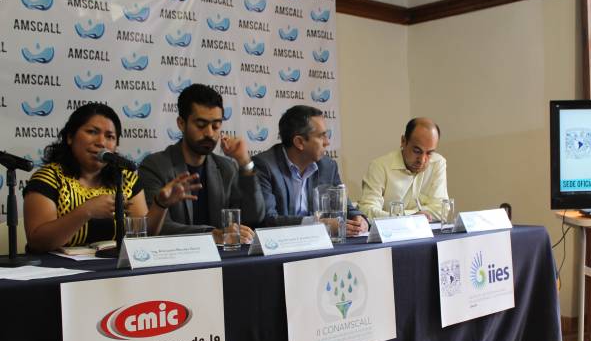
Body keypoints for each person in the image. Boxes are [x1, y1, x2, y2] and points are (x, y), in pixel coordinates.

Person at [23, 103, 199, 253]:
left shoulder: (125, 179)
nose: (101, 142)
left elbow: (142, 238)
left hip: (113, 272)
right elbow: (38, 242)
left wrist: (160, 205)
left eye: (110, 137)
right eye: (92, 132)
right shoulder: (49, 178)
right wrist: (86, 211)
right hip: (58, 274)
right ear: (70, 137)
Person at [139, 84, 264, 243]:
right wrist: (213, 235)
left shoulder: (226, 168)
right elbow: (157, 227)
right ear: (181, 123)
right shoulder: (155, 166)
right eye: (201, 125)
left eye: (216, 125)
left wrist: (245, 162)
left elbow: (254, 217)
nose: (210, 133)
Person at [252, 105, 368, 235]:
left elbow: (345, 206)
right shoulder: (264, 166)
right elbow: (268, 220)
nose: (327, 142)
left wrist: (358, 218)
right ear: (299, 142)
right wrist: (318, 225)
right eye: (321, 136)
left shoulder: (328, 166)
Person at [358, 117, 447, 221]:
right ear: (403, 141)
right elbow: (367, 211)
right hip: (390, 231)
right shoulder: (379, 166)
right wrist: (411, 217)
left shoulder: (437, 163)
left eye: (429, 153)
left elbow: (442, 210)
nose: (422, 160)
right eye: (417, 151)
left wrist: (402, 216)